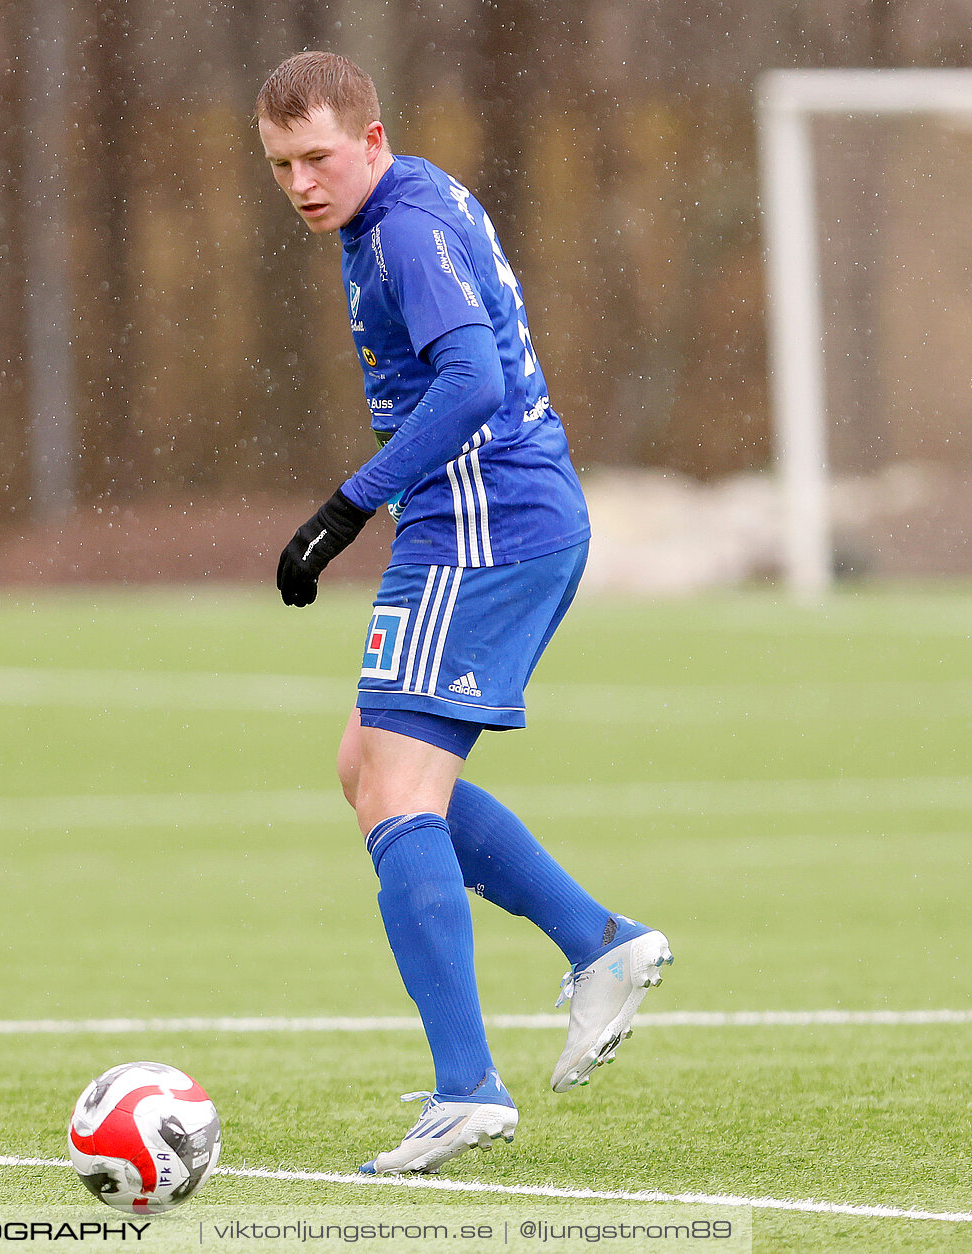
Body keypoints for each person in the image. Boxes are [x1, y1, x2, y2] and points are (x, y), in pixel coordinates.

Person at [254, 51, 672, 1175]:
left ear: (374, 141)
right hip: (482, 525)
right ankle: (601, 944)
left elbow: (474, 382)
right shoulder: (401, 207)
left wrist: (349, 506)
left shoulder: (399, 227)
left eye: (320, 157)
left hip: (487, 529)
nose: (301, 182)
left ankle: (466, 1088)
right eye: (282, 164)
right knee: (368, 767)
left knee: (394, 787)